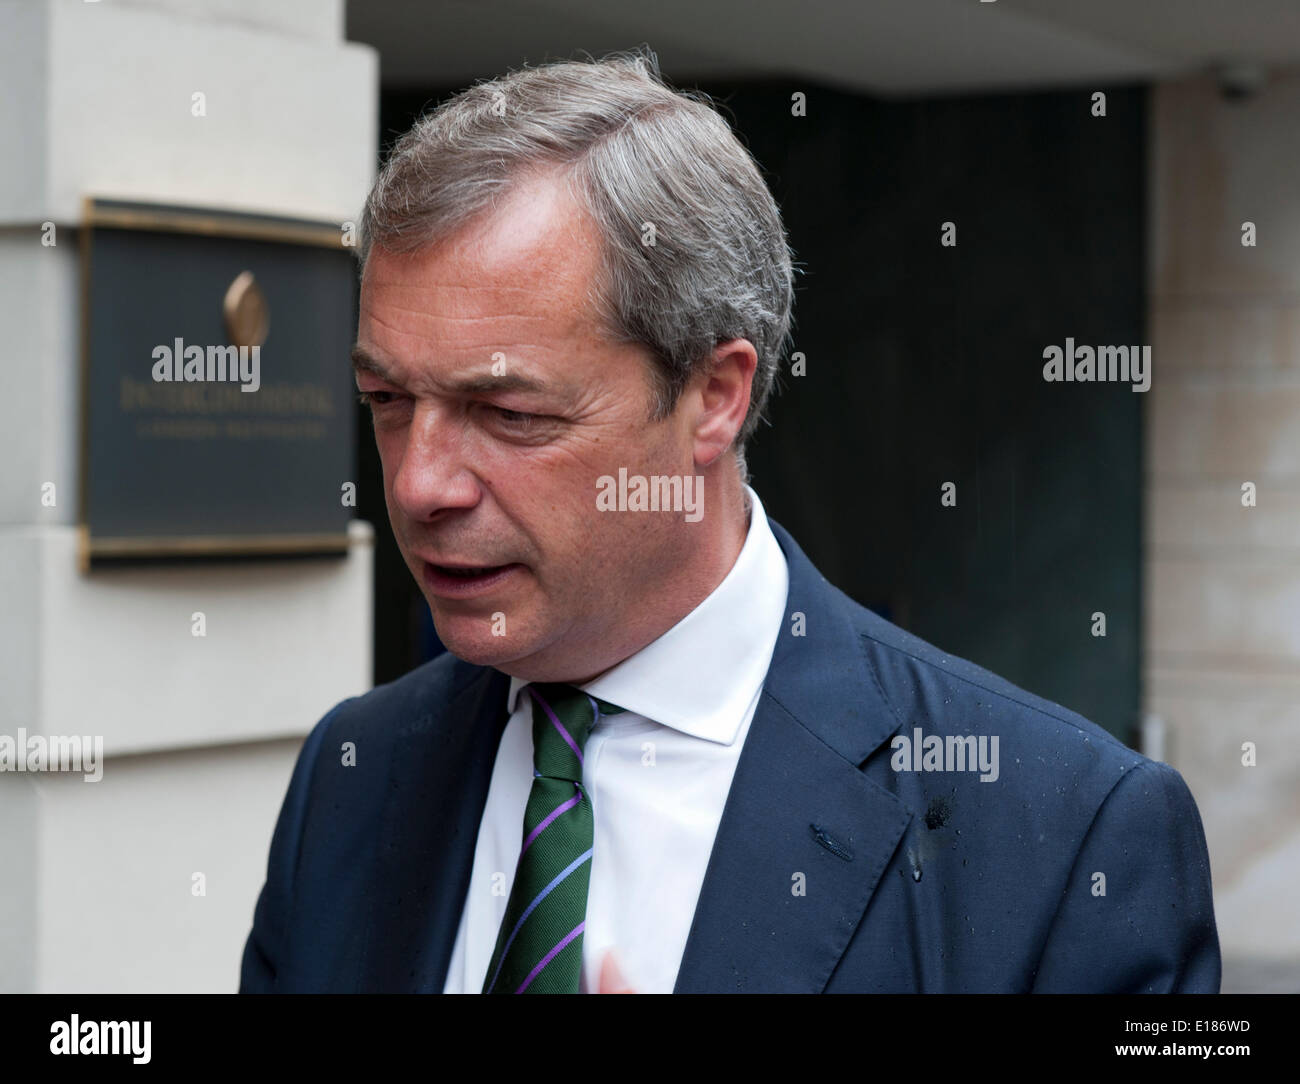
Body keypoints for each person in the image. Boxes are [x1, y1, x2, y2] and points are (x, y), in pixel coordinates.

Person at [239, 47, 1219, 994]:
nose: (419, 484)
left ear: (714, 395)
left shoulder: (1063, 834)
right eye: (387, 401)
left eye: (510, 415)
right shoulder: (355, 771)